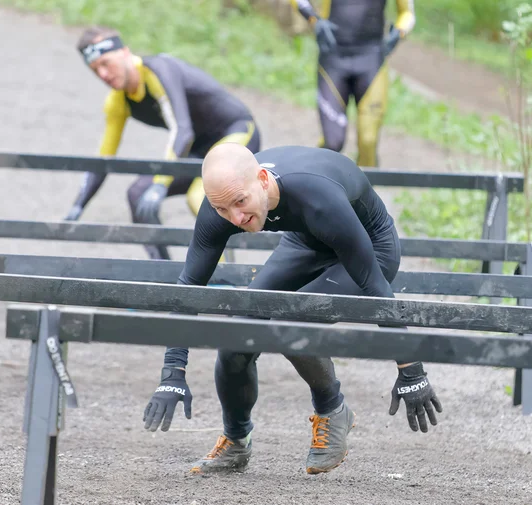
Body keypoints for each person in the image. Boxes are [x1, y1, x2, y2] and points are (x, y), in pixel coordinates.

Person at [142, 143, 442, 475]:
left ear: (262, 179)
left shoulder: (316, 195)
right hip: (307, 240)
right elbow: (189, 288)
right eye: (223, 210)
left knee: (291, 323)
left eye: (241, 203)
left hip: (369, 247)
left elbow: (373, 283)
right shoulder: (223, 202)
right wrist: (172, 374)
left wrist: (411, 370)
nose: (236, 219)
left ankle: (332, 409)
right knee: (236, 336)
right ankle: (236, 440)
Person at [65, 26, 261, 260]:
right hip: (199, 150)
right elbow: (104, 159)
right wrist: (78, 206)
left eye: (106, 63)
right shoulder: (117, 102)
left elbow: (183, 131)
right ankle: (163, 275)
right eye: (95, 70)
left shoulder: (158, 71)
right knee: (139, 195)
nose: (104, 74)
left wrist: (161, 183)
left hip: (236, 132)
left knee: (200, 197)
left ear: (125, 53)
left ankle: (225, 275)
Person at [290, 0, 416, 167]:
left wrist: (399, 32)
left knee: (368, 141)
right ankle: (314, 183)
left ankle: (364, 190)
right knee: (333, 143)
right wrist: (313, 19)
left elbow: (407, 13)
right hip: (333, 58)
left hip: (371, 60)